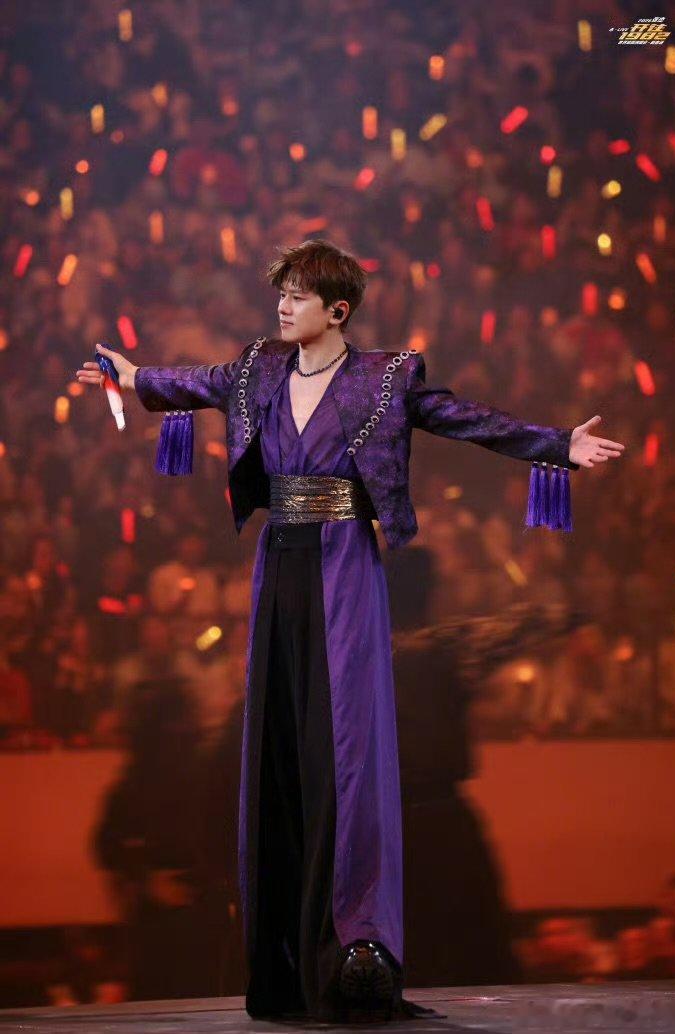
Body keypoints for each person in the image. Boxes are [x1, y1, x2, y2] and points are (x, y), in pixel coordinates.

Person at [77, 238, 625, 1022]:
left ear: (337, 310)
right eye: (281, 293)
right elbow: (190, 383)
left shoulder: (385, 378)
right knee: (282, 736)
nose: (283, 305)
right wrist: (132, 378)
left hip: (345, 565)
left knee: (346, 741)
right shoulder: (258, 370)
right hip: (280, 564)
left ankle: (358, 941)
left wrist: (556, 445)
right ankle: (286, 954)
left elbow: (465, 420)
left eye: (298, 295)